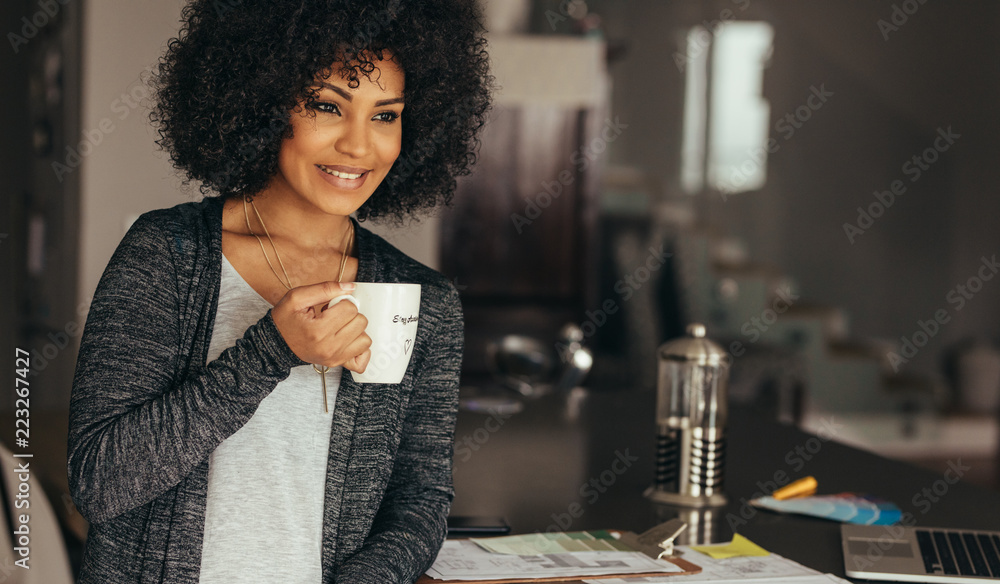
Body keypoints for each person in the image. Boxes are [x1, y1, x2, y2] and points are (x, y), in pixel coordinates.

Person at [66, 0, 492, 582]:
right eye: (326, 106)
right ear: (263, 106)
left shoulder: (422, 299)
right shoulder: (167, 253)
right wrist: (270, 351)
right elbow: (99, 483)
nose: (359, 147)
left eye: (385, 116)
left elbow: (419, 503)